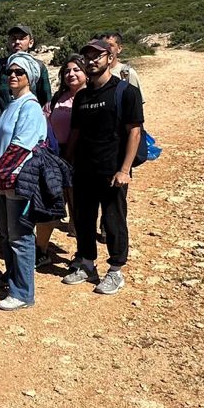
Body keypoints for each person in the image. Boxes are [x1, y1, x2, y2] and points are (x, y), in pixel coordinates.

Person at [62, 38, 144, 294]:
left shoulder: (125, 92)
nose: (91, 60)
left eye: (97, 56)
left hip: (112, 170)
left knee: (113, 220)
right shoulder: (82, 97)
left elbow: (134, 132)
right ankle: (87, 263)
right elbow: (75, 131)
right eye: (87, 56)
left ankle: (116, 270)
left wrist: (124, 169)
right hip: (84, 169)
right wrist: (67, 162)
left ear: (110, 58)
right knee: (84, 218)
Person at [0, 51, 49, 311]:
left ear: (30, 77)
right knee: (6, 233)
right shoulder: (13, 104)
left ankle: (23, 292)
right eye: (10, 72)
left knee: (20, 236)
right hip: (3, 180)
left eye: (19, 72)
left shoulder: (30, 107)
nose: (12, 75)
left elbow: (21, 146)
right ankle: (11, 277)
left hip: (16, 180)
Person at [34, 56, 86, 267]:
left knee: (80, 209)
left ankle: (83, 255)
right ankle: (42, 250)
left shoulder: (92, 97)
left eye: (76, 70)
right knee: (50, 203)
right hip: (56, 156)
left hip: (81, 158)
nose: (71, 74)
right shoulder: (58, 98)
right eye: (67, 71)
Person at [0, 25, 52, 111]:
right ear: (8, 42)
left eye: (22, 38)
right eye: (13, 38)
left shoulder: (38, 67)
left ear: (31, 42)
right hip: (1, 120)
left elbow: (46, 101)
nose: (17, 42)